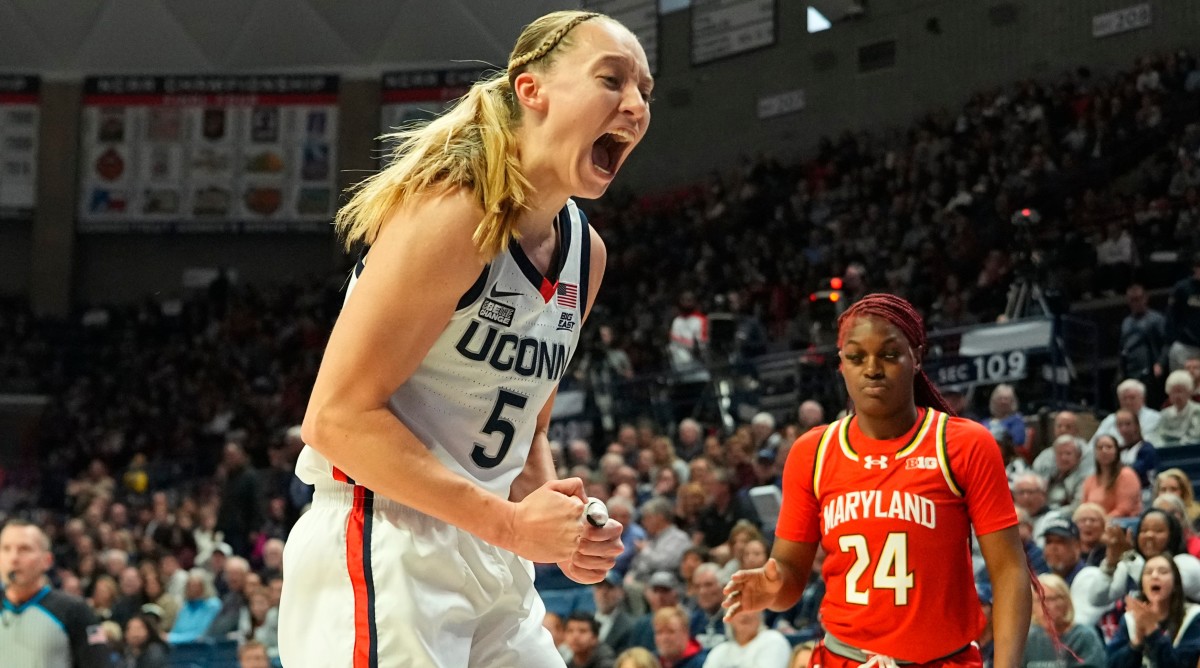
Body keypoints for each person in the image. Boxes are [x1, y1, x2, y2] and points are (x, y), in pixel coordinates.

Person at [279, 10, 652, 667]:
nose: (635, 105)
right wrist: (510, 524)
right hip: (383, 538)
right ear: (531, 89)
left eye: (644, 90)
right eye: (611, 80)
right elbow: (334, 420)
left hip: (484, 546)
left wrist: (557, 524)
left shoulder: (585, 255)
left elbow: (527, 428)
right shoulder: (454, 214)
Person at [721, 293, 1031, 667]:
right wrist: (773, 587)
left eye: (888, 354)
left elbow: (1010, 571)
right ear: (841, 364)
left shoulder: (963, 444)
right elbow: (788, 577)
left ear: (916, 357)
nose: (872, 368)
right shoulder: (812, 452)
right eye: (856, 357)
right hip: (842, 659)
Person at [0, 520, 111, 668]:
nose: (13, 558)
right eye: (6, 549)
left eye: (24, 549)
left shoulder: (75, 610)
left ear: (47, 560)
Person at [1106, 554, 1200, 667]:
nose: (1154, 576)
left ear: (1175, 584)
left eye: (1163, 572)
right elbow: (1111, 664)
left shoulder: (1193, 617)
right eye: (1148, 572)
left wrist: (1152, 631)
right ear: (1142, 587)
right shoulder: (1130, 619)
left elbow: (1184, 664)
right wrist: (1136, 642)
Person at [1020, 573, 1105, 668]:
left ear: (1066, 602)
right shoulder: (1028, 639)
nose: (1045, 607)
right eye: (1039, 600)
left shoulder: (1083, 637)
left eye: (1050, 599)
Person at [701, 609, 791, 668]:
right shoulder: (720, 651)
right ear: (728, 617)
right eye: (738, 609)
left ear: (760, 614)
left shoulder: (773, 640)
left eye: (749, 608)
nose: (744, 614)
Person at [1078, 434, 1142, 518]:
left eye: (1109, 447)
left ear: (1116, 451)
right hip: (1094, 524)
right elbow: (1084, 507)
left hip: (1120, 523)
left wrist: (1102, 523)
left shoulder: (1126, 475)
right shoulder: (1090, 479)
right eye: (1100, 448)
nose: (1104, 450)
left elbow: (1124, 509)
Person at [1149, 370, 1200, 446]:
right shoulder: (1164, 414)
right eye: (1173, 392)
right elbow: (1157, 435)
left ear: (1189, 392)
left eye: (1180, 391)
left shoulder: (1197, 411)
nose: (1177, 396)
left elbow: (1195, 435)